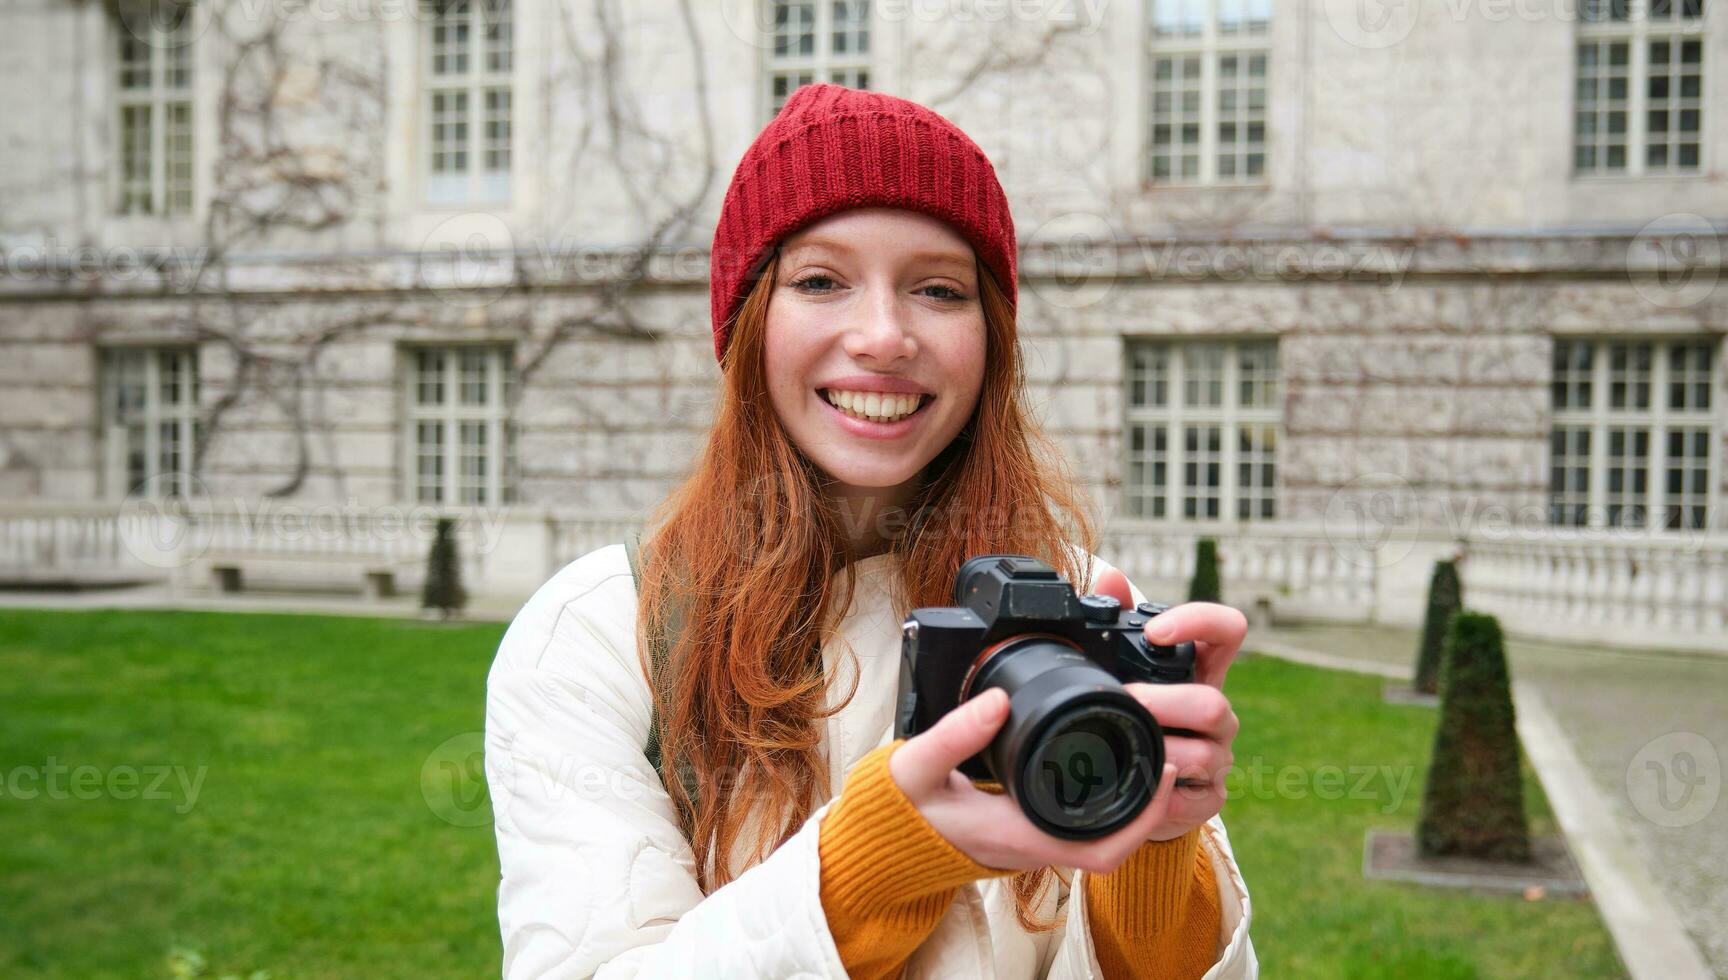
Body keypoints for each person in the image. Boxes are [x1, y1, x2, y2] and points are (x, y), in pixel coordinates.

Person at [485, 84, 1256, 979]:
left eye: (938, 289)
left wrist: (1152, 848)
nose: (884, 337)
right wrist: (875, 861)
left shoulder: (1079, 604)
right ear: (747, 325)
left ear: (991, 339)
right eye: (820, 280)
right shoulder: (598, 633)